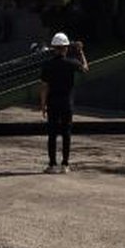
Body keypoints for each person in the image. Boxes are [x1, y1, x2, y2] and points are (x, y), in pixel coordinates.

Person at [39, 32, 89, 174]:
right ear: (66, 48)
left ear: (54, 48)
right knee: (66, 133)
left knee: (52, 134)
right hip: (67, 103)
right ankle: (65, 164)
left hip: (52, 102)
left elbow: (44, 87)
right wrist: (81, 52)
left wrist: (43, 105)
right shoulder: (71, 63)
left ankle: (52, 165)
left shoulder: (47, 65)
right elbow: (85, 68)